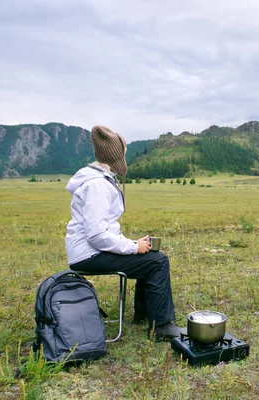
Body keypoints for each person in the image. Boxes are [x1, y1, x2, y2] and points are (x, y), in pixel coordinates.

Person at [64, 125, 185, 341]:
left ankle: (144, 315)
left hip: (89, 252)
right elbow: (96, 235)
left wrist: (133, 245)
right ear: (116, 155)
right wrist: (132, 247)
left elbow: (103, 229)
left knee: (149, 257)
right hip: (89, 255)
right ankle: (162, 327)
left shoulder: (98, 180)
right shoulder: (97, 186)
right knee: (157, 262)